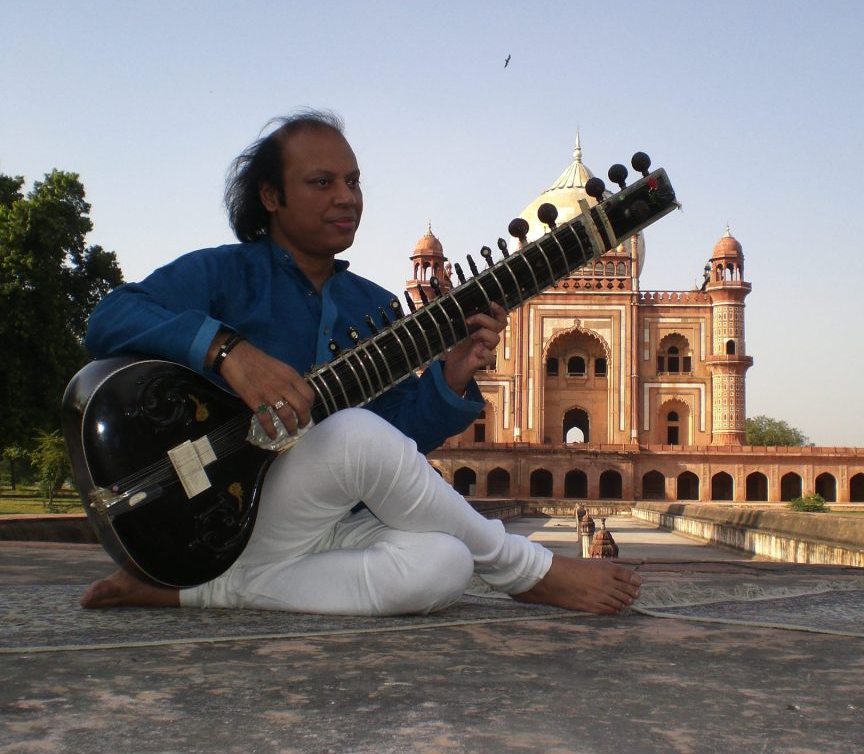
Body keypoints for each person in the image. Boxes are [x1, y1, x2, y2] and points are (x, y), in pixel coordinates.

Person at [80, 110, 642, 616]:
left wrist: (448, 378)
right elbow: (111, 316)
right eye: (322, 183)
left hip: (319, 518)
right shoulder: (226, 273)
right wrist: (229, 352)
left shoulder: (373, 307)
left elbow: (391, 439)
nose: (347, 198)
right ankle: (531, 573)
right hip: (221, 505)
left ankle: (199, 591)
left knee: (443, 565)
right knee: (349, 433)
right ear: (271, 196)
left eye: (353, 182)